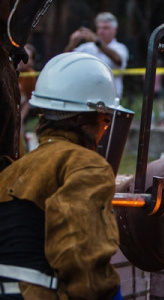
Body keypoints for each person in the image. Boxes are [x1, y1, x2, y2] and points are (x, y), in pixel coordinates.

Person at [0, 52, 133, 299]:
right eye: (105, 120)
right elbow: (84, 264)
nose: (105, 129)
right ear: (85, 120)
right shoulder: (85, 166)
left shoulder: (13, 170)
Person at [64, 12, 128, 99]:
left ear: (115, 30)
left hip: (110, 98)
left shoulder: (120, 48)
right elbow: (65, 59)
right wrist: (72, 43)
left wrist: (97, 42)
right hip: (87, 96)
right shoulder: (87, 47)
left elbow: (118, 60)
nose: (101, 32)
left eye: (105, 28)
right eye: (99, 28)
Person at [17, 44, 37, 154]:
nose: (21, 60)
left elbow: (28, 100)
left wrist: (20, 117)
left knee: (20, 134)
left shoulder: (30, 76)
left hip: (19, 110)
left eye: (26, 57)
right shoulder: (8, 69)